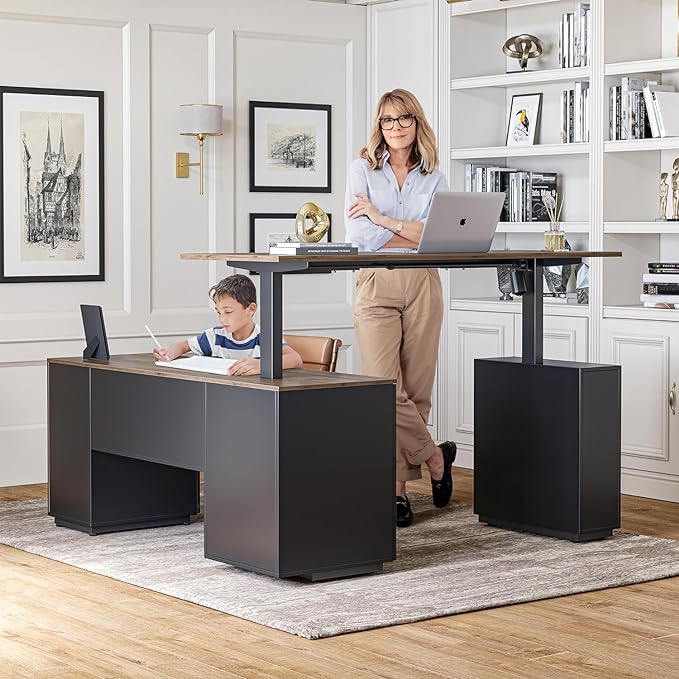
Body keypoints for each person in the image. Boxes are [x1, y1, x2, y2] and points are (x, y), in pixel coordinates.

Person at [345, 88, 456, 528]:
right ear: (379, 125)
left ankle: (396, 492)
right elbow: (360, 236)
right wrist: (404, 231)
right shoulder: (362, 169)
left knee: (417, 387)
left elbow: (437, 238)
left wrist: (384, 218)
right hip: (376, 281)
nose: (395, 128)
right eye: (387, 120)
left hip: (424, 280)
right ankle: (434, 456)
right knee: (385, 387)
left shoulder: (434, 176)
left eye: (403, 119)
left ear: (417, 123)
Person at [153, 273, 302, 376]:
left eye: (228, 312)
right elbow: (182, 346)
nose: (222, 319)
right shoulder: (214, 337)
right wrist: (169, 353)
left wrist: (262, 365)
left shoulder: (265, 337)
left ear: (250, 309)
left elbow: (295, 360)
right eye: (218, 312)